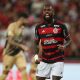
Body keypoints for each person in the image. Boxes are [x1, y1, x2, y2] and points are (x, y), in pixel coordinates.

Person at [34, 4, 71, 80]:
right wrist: (36, 57)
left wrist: (64, 46)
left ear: (53, 12)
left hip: (58, 59)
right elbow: (36, 44)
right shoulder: (38, 27)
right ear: (42, 13)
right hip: (44, 59)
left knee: (55, 78)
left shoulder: (61, 26)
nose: (46, 12)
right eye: (45, 10)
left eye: (49, 10)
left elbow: (69, 40)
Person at [0, 13, 29, 80]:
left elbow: (19, 40)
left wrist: (23, 47)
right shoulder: (12, 26)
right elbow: (10, 41)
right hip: (9, 53)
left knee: (24, 70)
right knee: (5, 73)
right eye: (26, 20)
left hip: (18, 53)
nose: (27, 22)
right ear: (22, 19)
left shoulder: (22, 27)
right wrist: (21, 46)